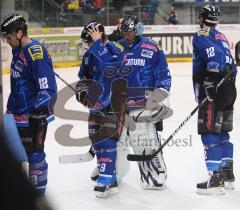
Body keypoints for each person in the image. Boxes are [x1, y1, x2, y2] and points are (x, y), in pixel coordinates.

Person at [0, 13, 57, 195]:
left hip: (32, 116)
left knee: (35, 156)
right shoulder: (19, 51)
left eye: (8, 37)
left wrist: (38, 113)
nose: (7, 42)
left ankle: (37, 197)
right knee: (14, 157)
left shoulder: (35, 52)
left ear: (19, 33)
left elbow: (48, 90)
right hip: (16, 115)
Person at [117, 15, 172, 190]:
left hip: (144, 104)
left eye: (131, 31)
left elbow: (164, 75)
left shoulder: (152, 47)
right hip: (121, 105)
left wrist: (158, 96)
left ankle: (156, 173)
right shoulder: (117, 47)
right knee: (118, 143)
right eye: (125, 32)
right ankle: (111, 172)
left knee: (145, 141)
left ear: (138, 29)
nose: (128, 35)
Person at [76, 21, 127, 198]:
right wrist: (82, 90)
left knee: (107, 138)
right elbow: (83, 75)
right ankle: (110, 175)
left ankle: (106, 178)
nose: (87, 46)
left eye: (89, 42)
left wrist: (97, 43)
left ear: (100, 37)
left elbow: (110, 67)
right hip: (95, 103)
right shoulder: (90, 53)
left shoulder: (116, 48)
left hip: (114, 102)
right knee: (96, 138)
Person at [192, 5, 237, 195]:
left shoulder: (202, 33)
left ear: (202, 18)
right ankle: (227, 175)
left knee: (209, 131)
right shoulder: (221, 36)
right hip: (229, 88)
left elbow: (214, 55)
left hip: (214, 88)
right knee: (222, 132)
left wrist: (210, 80)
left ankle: (215, 179)